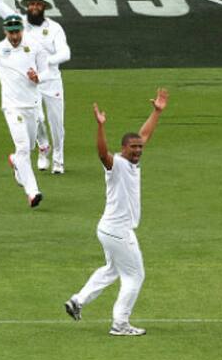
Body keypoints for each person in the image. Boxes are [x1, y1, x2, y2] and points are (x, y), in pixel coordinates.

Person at [64, 88, 169, 336]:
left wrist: (156, 112)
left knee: (112, 270)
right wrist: (100, 127)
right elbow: (102, 153)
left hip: (109, 229)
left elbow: (143, 135)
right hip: (118, 231)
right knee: (135, 276)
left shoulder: (134, 161)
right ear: (123, 148)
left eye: (140, 148)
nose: (138, 150)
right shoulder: (117, 164)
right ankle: (120, 324)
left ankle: (77, 301)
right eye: (133, 147)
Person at [0, 0, 71, 174]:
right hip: (28, 82)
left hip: (50, 80)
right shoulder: (19, 22)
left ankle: (59, 161)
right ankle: (43, 149)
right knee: (37, 119)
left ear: (44, 8)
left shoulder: (54, 28)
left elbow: (66, 53)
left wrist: (48, 63)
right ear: (27, 7)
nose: (34, 7)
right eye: (31, 4)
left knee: (56, 123)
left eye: (38, 4)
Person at [0, 15, 49, 207]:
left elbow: (47, 70)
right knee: (24, 148)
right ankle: (32, 192)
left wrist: (38, 77)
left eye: (17, 31)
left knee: (29, 147)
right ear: (4, 31)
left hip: (32, 105)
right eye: (11, 32)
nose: (14, 36)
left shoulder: (35, 47)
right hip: (11, 106)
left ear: (22, 30)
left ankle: (16, 162)